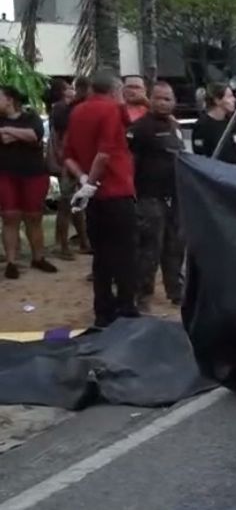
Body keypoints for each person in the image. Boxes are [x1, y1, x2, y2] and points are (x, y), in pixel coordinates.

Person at [63, 71, 138, 327]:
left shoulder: (77, 111)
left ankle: (103, 311)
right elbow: (104, 155)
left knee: (102, 256)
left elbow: (68, 156)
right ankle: (126, 309)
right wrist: (92, 182)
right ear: (115, 89)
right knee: (125, 255)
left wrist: (83, 180)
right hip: (116, 191)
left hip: (93, 197)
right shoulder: (111, 111)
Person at [129, 82, 184, 309]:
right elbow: (130, 163)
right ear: (150, 99)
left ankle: (176, 291)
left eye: (168, 99)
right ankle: (143, 296)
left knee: (175, 247)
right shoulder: (140, 128)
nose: (164, 103)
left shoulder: (174, 126)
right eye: (159, 98)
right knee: (150, 249)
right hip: (149, 198)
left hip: (175, 197)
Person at [0, 85, 58, 279]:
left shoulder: (31, 116)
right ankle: (11, 262)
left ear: (9, 99)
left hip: (33, 174)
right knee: (10, 217)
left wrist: (8, 130)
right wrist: (21, 135)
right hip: (5, 174)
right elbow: (24, 137)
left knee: (34, 217)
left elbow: (34, 135)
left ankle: (38, 257)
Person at [48, 77, 91, 259]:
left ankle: (82, 241)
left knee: (78, 204)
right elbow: (60, 138)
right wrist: (63, 161)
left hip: (77, 160)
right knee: (66, 204)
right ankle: (62, 245)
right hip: (69, 161)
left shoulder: (76, 107)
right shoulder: (63, 109)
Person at [190, 82, 236, 164]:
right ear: (217, 100)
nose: (234, 100)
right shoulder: (202, 126)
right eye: (229, 96)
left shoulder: (233, 122)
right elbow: (200, 155)